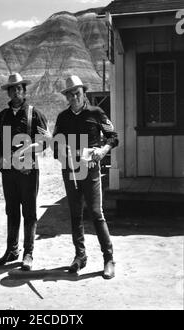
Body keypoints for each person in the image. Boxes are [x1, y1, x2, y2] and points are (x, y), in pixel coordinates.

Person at [52, 75, 118, 279]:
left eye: (77, 93)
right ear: (66, 97)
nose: (74, 97)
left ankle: (108, 259)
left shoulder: (96, 113)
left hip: (90, 171)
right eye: (70, 94)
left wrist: (103, 150)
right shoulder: (62, 118)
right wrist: (61, 151)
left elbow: (113, 137)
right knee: (75, 215)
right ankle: (80, 256)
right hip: (70, 171)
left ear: (84, 93)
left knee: (96, 214)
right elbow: (55, 145)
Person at [0, 73, 49, 271]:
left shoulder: (35, 114)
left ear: (24, 91)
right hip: (8, 172)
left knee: (30, 212)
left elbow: (45, 143)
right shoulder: (2, 117)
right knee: (11, 210)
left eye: (19, 88)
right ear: (7, 92)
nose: (16, 92)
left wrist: (28, 150)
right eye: (12, 89)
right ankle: (11, 250)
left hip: (28, 171)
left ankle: (28, 253)